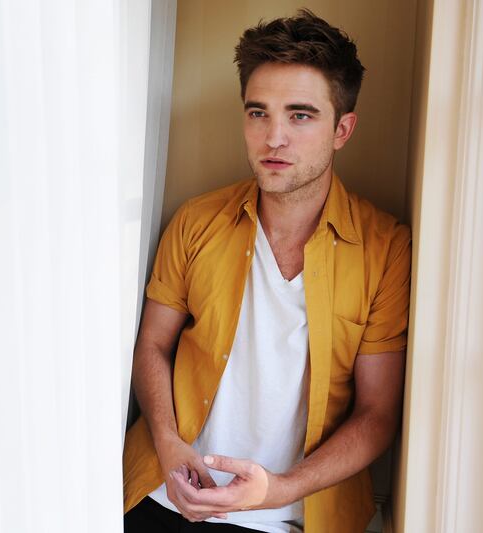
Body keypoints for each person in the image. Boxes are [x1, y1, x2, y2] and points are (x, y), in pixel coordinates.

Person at [122, 9, 411, 533]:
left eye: (300, 115)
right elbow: (153, 345)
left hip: (291, 516)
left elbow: (377, 415)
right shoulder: (196, 221)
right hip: (163, 495)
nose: (273, 137)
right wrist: (166, 441)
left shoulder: (384, 249)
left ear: (342, 129)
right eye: (258, 113)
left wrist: (280, 489)